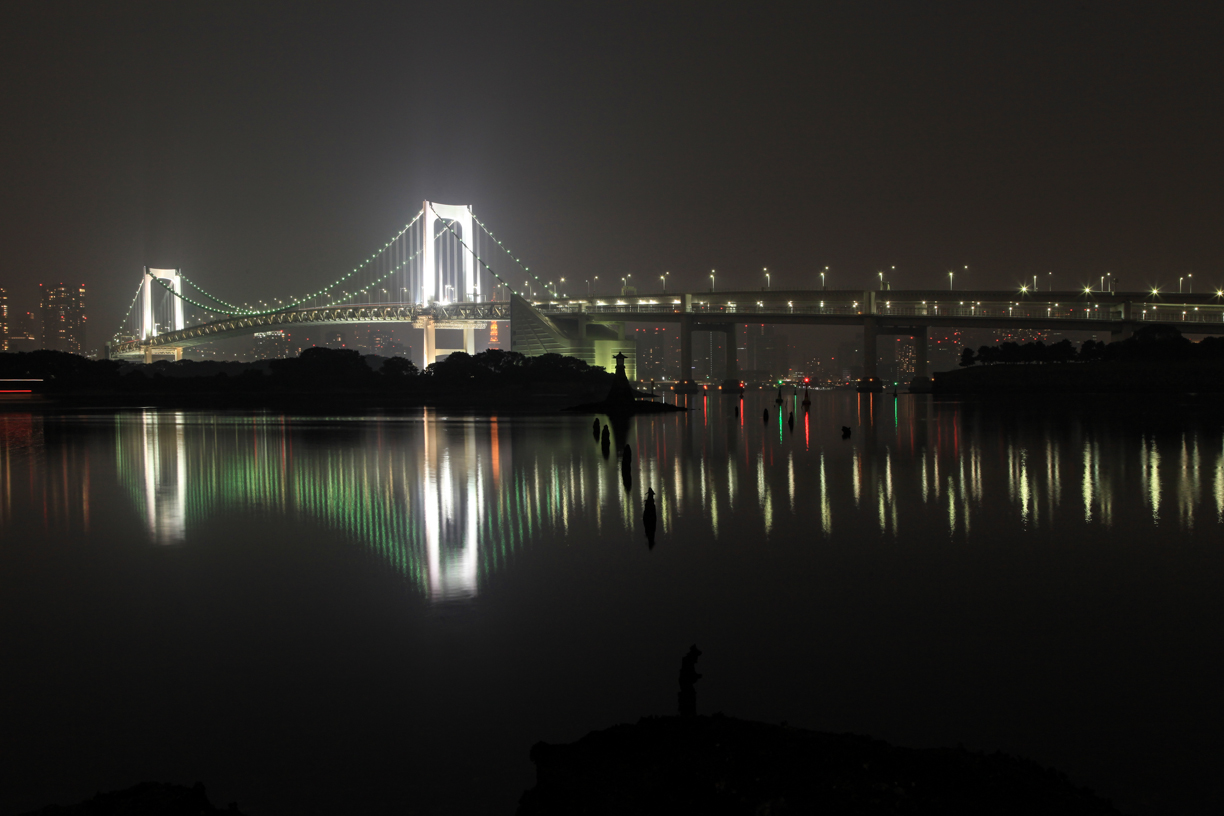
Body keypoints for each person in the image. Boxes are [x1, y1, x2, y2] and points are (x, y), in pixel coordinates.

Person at [677, 644, 702, 717]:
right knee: (689, 699)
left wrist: (696, 676)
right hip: (686, 686)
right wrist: (696, 676)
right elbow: (688, 675)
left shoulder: (687, 662)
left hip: (685, 685)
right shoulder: (688, 662)